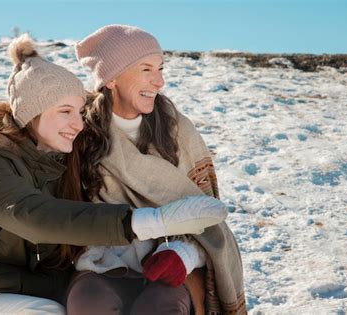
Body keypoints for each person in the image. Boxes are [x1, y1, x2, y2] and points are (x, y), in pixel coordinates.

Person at [0, 34, 229, 315]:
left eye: (78, 111)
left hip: (46, 285)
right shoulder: (4, 152)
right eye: (146, 68)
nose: (78, 123)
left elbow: (207, 213)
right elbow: (25, 209)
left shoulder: (70, 149)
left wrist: (184, 252)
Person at [65, 24, 246, 315]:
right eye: (146, 69)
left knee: (159, 307)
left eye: (161, 69)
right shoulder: (79, 132)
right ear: (112, 79)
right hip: (102, 262)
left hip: (172, 261)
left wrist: (183, 254)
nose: (159, 81)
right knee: (89, 303)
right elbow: (37, 189)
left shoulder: (177, 131)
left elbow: (210, 219)